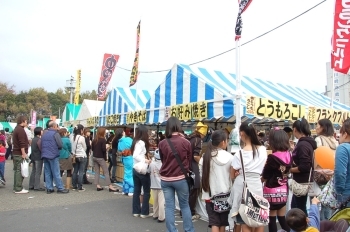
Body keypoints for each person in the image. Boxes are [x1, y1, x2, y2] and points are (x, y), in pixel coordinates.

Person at [229, 122, 268, 232]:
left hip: (243, 186)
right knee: (259, 217)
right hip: (257, 184)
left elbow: (232, 174)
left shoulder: (239, 154)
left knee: (244, 219)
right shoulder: (262, 150)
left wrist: (238, 173)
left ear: (241, 134)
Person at [158, 117, 195, 232]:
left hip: (166, 179)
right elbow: (189, 161)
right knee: (184, 206)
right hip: (181, 178)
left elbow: (163, 160)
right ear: (179, 126)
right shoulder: (186, 142)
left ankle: (172, 230)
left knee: (169, 206)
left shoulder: (162, 143)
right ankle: (189, 230)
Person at [200, 130, 234, 232]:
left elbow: (202, 176)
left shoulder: (205, 157)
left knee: (214, 222)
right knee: (223, 222)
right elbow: (232, 177)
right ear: (223, 142)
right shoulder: (230, 157)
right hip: (225, 195)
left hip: (210, 196)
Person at [261, 128, 291, 232]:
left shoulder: (272, 157)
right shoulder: (288, 155)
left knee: (272, 218)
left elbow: (266, 174)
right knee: (282, 217)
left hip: (272, 191)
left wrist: (262, 179)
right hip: (283, 190)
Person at [290, 118, 316, 215]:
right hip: (303, 181)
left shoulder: (302, 144)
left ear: (295, 129)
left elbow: (304, 166)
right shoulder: (308, 143)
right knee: (296, 207)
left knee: (299, 209)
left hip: (301, 182)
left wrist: (290, 170)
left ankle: (303, 228)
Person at [314, 118, 338, 220]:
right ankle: (329, 223)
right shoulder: (334, 141)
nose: (316, 127)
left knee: (321, 201)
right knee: (329, 200)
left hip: (321, 174)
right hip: (332, 173)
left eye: (317, 125)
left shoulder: (319, 140)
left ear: (323, 127)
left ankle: (323, 225)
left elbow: (317, 158)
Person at [40, 121, 69, 194]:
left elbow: (41, 144)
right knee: (56, 172)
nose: (57, 127)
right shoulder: (55, 134)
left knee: (47, 172)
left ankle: (49, 188)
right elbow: (60, 144)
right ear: (54, 126)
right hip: (53, 154)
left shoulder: (44, 134)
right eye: (56, 126)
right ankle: (60, 188)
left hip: (45, 154)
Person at [187, 122, 207, 219]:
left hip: (187, 166)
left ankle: (185, 211)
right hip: (194, 166)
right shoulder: (198, 140)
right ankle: (191, 212)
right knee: (195, 188)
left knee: (188, 189)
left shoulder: (190, 138)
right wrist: (202, 163)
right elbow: (196, 155)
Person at [132, 125, 152, 218]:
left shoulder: (135, 142)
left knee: (137, 190)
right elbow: (135, 155)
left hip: (135, 169)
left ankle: (136, 211)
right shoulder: (141, 143)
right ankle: (144, 212)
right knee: (146, 191)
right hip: (142, 169)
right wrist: (145, 160)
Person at [91, 127, 118, 192]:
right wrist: (107, 147)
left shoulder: (95, 139)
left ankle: (97, 185)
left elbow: (92, 149)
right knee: (106, 172)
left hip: (95, 157)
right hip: (100, 157)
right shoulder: (103, 140)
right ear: (102, 132)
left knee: (97, 171)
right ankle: (110, 186)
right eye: (105, 131)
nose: (106, 132)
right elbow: (103, 149)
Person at [12, 116, 29, 194]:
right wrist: (23, 153)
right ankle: (18, 188)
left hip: (16, 153)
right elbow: (22, 143)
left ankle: (16, 187)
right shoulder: (20, 130)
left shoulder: (16, 129)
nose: (27, 122)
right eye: (26, 121)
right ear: (23, 121)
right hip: (19, 153)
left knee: (17, 171)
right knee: (20, 171)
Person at [149, 149, 165, 223]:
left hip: (153, 184)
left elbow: (148, 171)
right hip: (162, 185)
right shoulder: (164, 164)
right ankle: (161, 217)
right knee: (161, 202)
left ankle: (155, 214)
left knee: (155, 201)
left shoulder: (152, 164)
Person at [118, 128, 134, 196]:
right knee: (130, 174)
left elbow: (119, 150)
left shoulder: (119, 141)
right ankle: (131, 190)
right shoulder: (128, 139)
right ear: (122, 133)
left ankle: (125, 189)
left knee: (126, 173)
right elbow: (134, 146)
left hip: (124, 158)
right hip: (130, 158)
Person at [72, 124, 87, 192]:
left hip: (75, 156)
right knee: (81, 172)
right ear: (81, 130)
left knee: (75, 171)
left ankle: (74, 186)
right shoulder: (81, 138)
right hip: (81, 156)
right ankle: (80, 187)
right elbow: (85, 147)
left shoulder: (71, 137)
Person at [29, 127, 45, 191]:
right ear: (39, 132)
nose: (42, 132)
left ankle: (31, 185)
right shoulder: (39, 140)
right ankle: (37, 186)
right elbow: (41, 148)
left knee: (33, 171)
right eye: (42, 131)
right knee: (38, 172)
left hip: (33, 156)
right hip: (38, 157)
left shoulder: (33, 139)